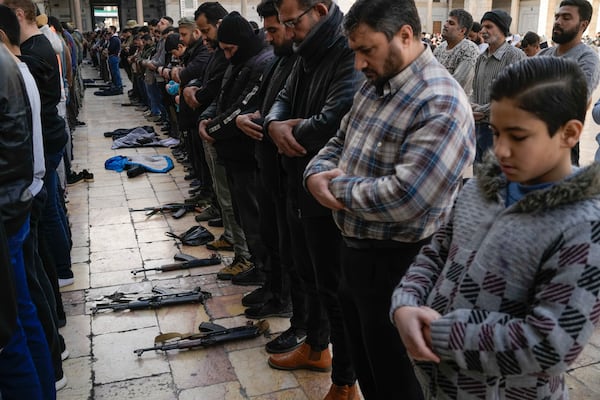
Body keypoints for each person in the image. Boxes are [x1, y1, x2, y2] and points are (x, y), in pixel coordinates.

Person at [391, 55, 600, 400]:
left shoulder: (584, 225)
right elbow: (435, 252)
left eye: (518, 136)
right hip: (438, 387)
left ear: (569, 133)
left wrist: (439, 333)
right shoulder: (477, 189)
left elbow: (550, 344)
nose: (500, 150)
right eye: (495, 132)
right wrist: (405, 303)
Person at [304, 1, 475, 398]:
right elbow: (336, 142)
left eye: (368, 50)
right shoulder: (373, 86)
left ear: (405, 35)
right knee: (370, 372)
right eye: (355, 52)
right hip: (357, 256)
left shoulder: (440, 100)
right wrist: (314, 174)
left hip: (404, 267)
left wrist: (336, 188)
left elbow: (408, 196)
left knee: (400, 382)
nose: (360, 63)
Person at [264, 0, 360, 398]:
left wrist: (289, 134)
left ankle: (345, 381)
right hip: (298, 176)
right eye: (283, 24)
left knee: (337, 289)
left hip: (326, 181)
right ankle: (316, 346)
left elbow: (336, 116)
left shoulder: (345, 48)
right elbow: (283, 96)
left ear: (318, 10)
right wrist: (273, 123)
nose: (287, 31)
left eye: (292, 22)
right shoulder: (305, 50)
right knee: (307, 272)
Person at [235, 0, 303, 330]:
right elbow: (270, 104)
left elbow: (295, 116)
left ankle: (286, 301)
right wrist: (252, 118)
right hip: (268, 163)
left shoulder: (300, 61)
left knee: (289, 245)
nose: (269, 37)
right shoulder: (277, 61)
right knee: (271, 234)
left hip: (287, 168)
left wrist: (268, 122)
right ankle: (273, 288)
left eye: (274, 29)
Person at [198, 11, 273, 284]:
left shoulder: (261, 63)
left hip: (247, 157)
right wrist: (207, 119)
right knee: (243, 216)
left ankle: (266, 275)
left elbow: (242, 108)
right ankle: (258, 267)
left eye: (230, 49)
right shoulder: (239, 61)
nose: (227, 56)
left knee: (256, 222)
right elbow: (222, 99)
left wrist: (212, 128)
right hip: (234, 155)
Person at [538, 0, 600, 166]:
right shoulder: (542, 55)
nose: (558, 21)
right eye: (557, 16)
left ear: (583, 25)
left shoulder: (588, 58)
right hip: (530, 141)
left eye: (566, 17)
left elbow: (574, 101)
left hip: (561, 144)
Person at [471, 9, 525, 163]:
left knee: (498, 179)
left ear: (502, 29)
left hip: (500, 131)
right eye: (482, 27)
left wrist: (482, 110)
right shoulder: (481, 58)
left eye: (489, 27)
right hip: (478, 127)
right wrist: (471, 107)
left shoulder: (515, 56)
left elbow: (515, 96)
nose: (483, 31)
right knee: (480, 178)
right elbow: (475, 89)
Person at [433, 8, 480, 96]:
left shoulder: (469, 50)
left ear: (462, 31)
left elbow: (457, 83)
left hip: (457, 103)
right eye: (447, 22)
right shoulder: (440, 48)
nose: (445, 25)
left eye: (451, 23)